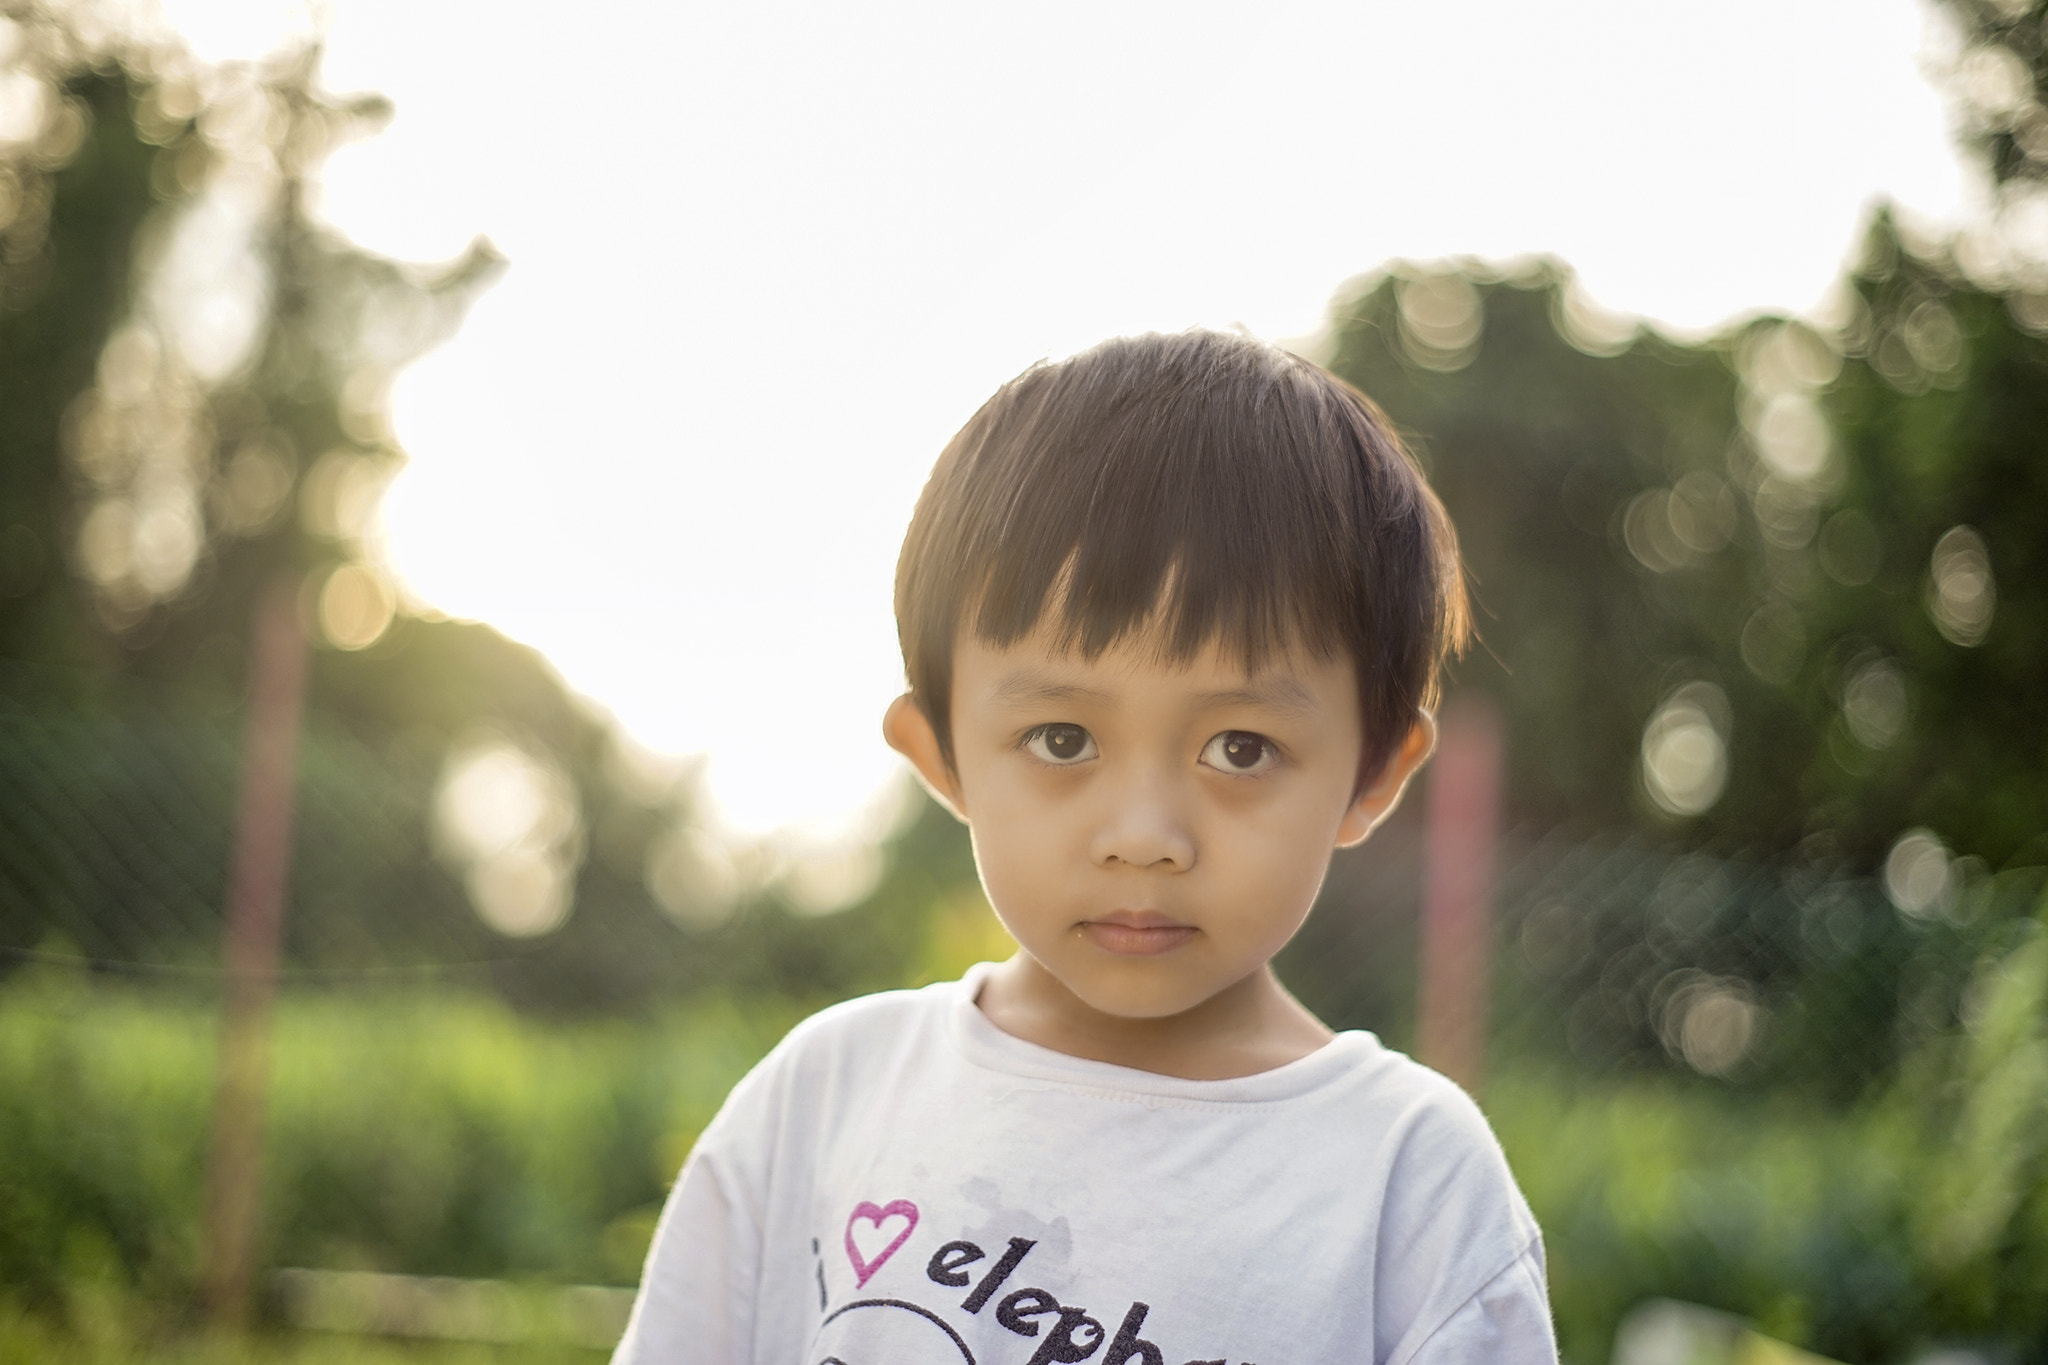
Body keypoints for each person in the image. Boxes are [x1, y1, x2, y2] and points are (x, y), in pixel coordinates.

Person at [612, 330, 1557, 1364]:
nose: (1142, 839)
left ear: (1372, 772)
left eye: (1238, 748)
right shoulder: (828, 1098)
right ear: (941, 756)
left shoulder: (1405, 1185)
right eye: (1060, 739)